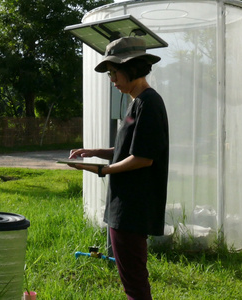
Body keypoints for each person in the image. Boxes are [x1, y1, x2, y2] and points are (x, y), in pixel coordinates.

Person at [67, 37, 169, 300]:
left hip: (133, 207)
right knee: (130, 278)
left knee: (134, 282)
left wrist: (101, 170)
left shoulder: (150, 103)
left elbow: (144, 158)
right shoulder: (135, 103)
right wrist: (94, 152)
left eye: (114, 72)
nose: (111, 79)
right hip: (123, 204)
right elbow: (128, 149)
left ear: (132, 68)